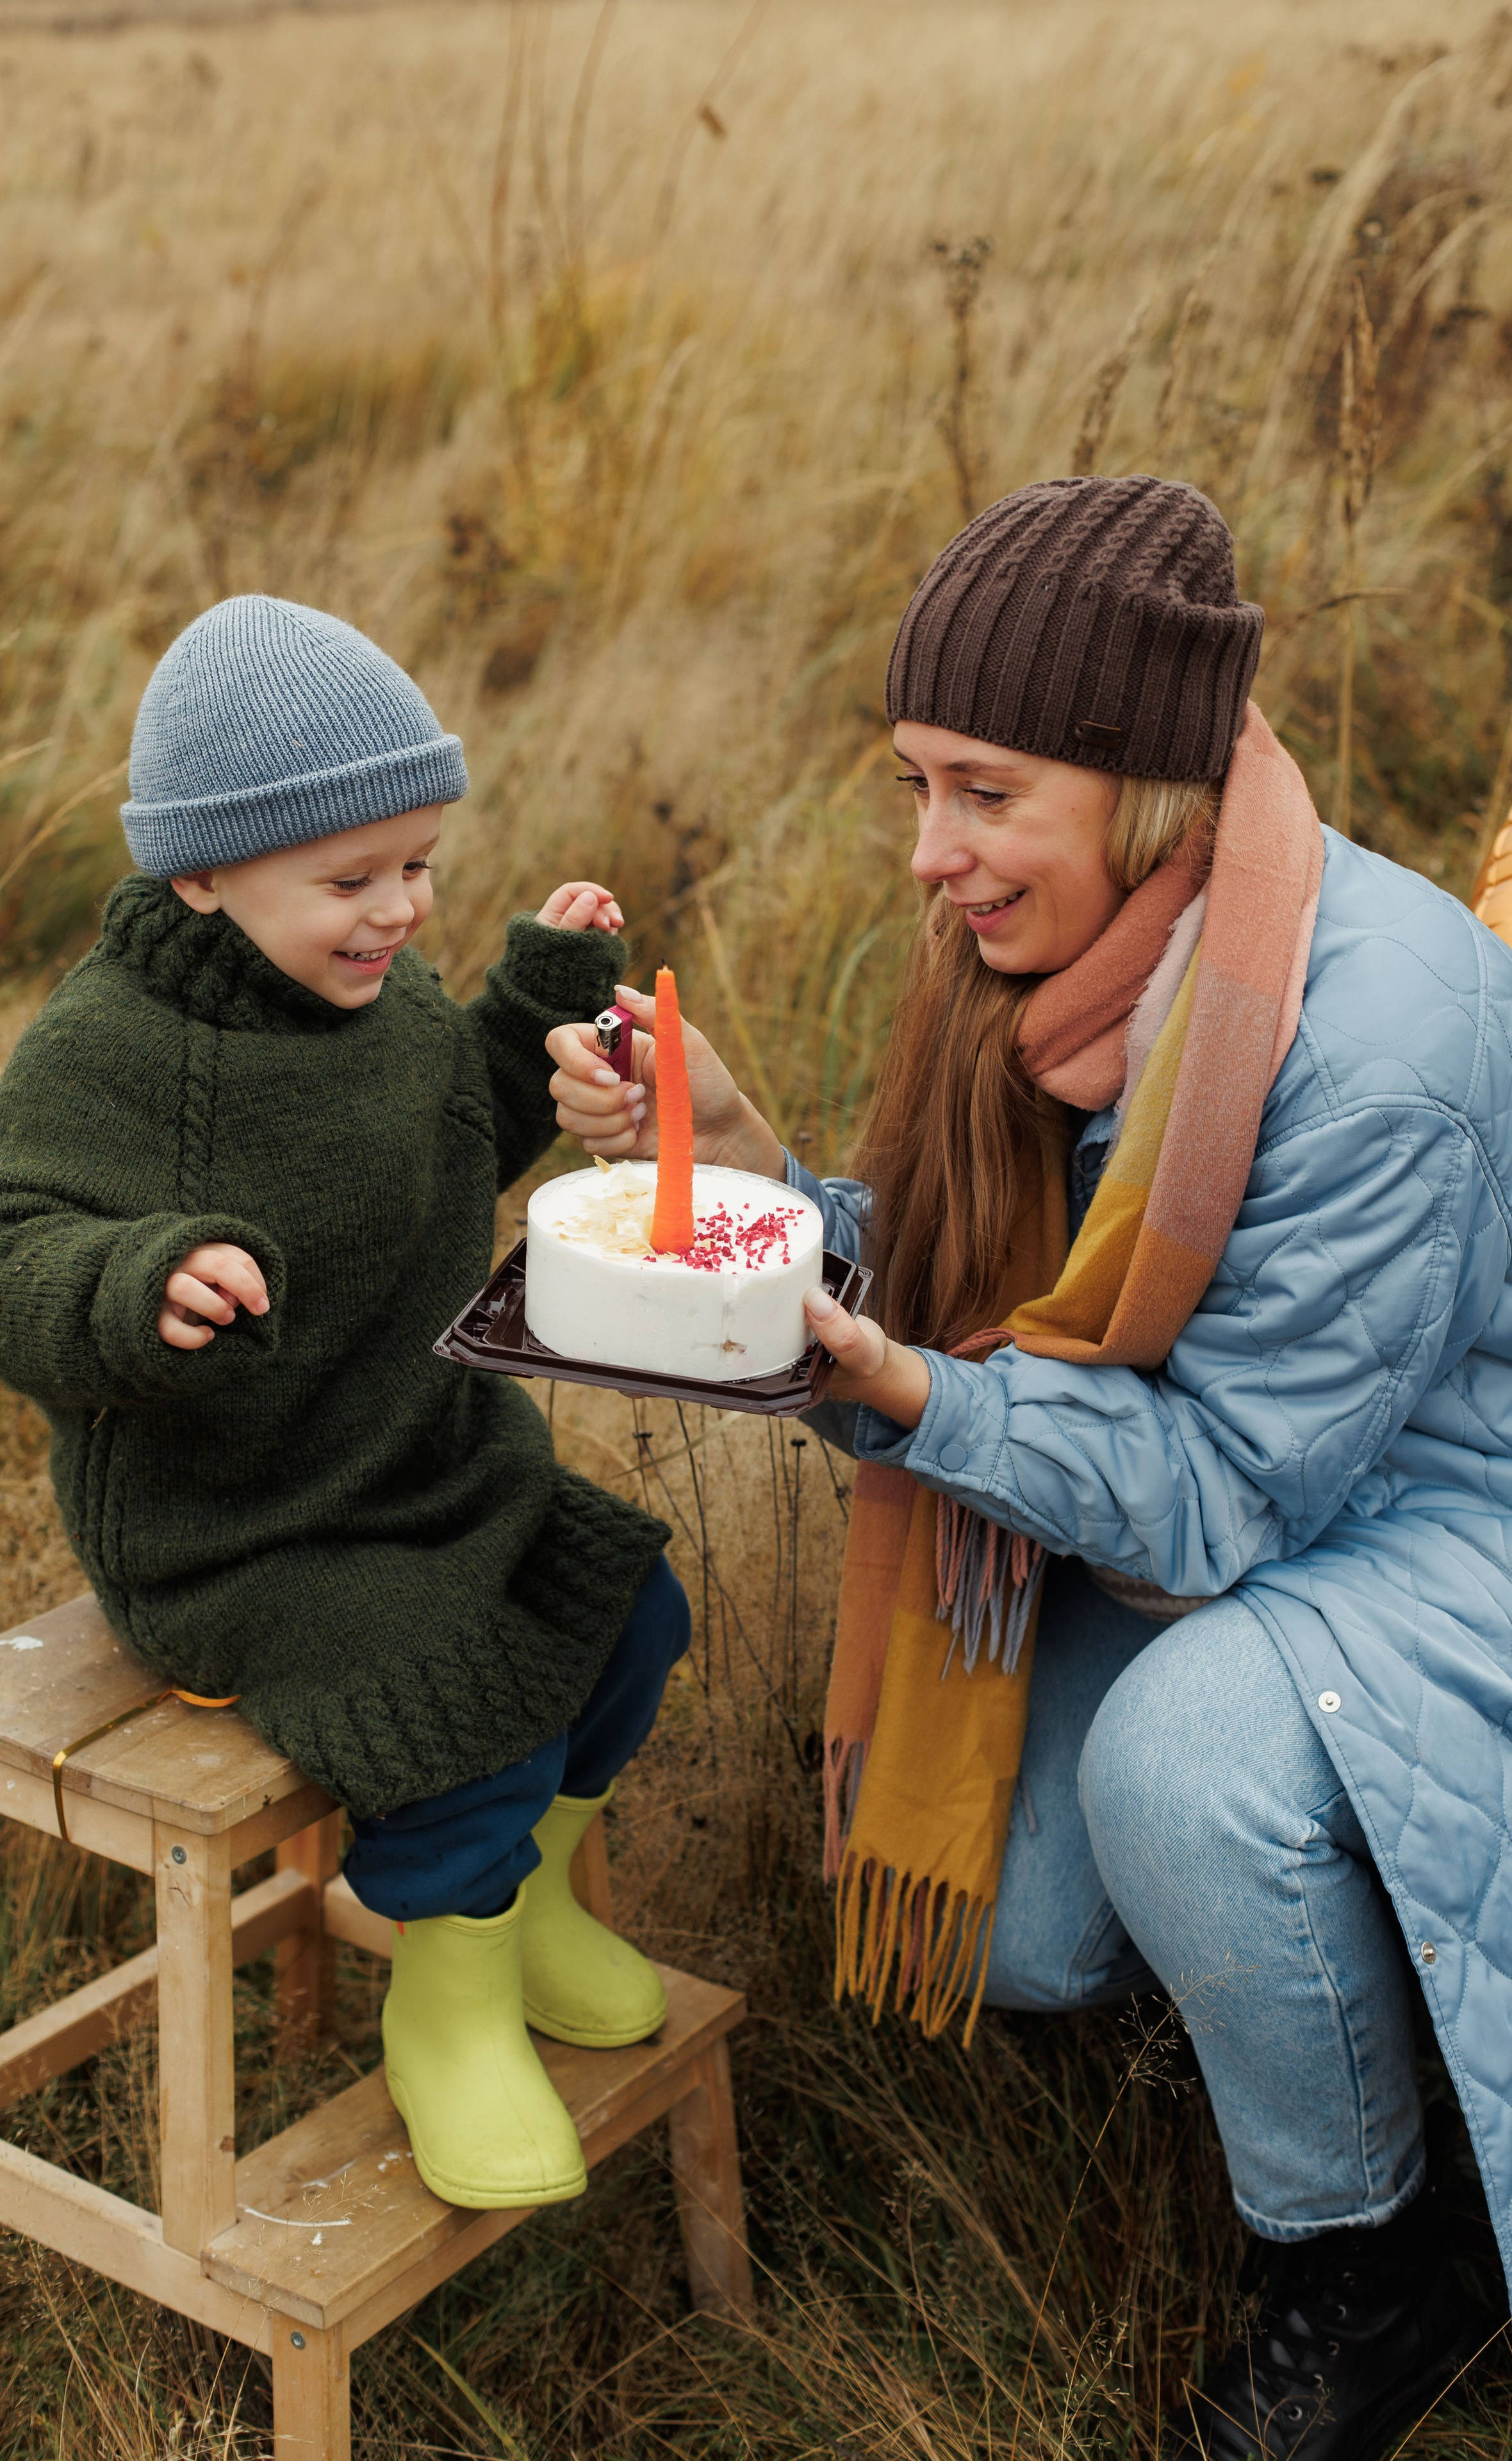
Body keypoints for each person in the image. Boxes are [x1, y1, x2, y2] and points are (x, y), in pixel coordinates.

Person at [547, 475, 1511, 2457]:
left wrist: (900, 1391)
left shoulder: (1380, 1037)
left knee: (1185, 1778)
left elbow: (1222, 1486)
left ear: (1144, 784)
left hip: (1442, 1504)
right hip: (1268, 1479)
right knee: (1018, 1930)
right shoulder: (1067, 980)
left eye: (985, 794)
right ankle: (1329, 1979)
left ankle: (1378, 2258)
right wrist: (740, 1162)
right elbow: (1000, 1298)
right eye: (917, 786)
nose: (932, 857)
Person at [0, 593, 686, 2215]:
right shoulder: (113, 1051)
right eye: (351, 881)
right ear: (201, 874)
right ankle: (450, 1987)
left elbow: (443, 1133)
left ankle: (526, 1890)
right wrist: (138, 1284)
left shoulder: (374, 992)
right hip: (239, 1526)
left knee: (627, 1597)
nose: (398, 911)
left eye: (417, 865)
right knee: (455, 1676)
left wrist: (533, 1004)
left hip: (409, 1455)